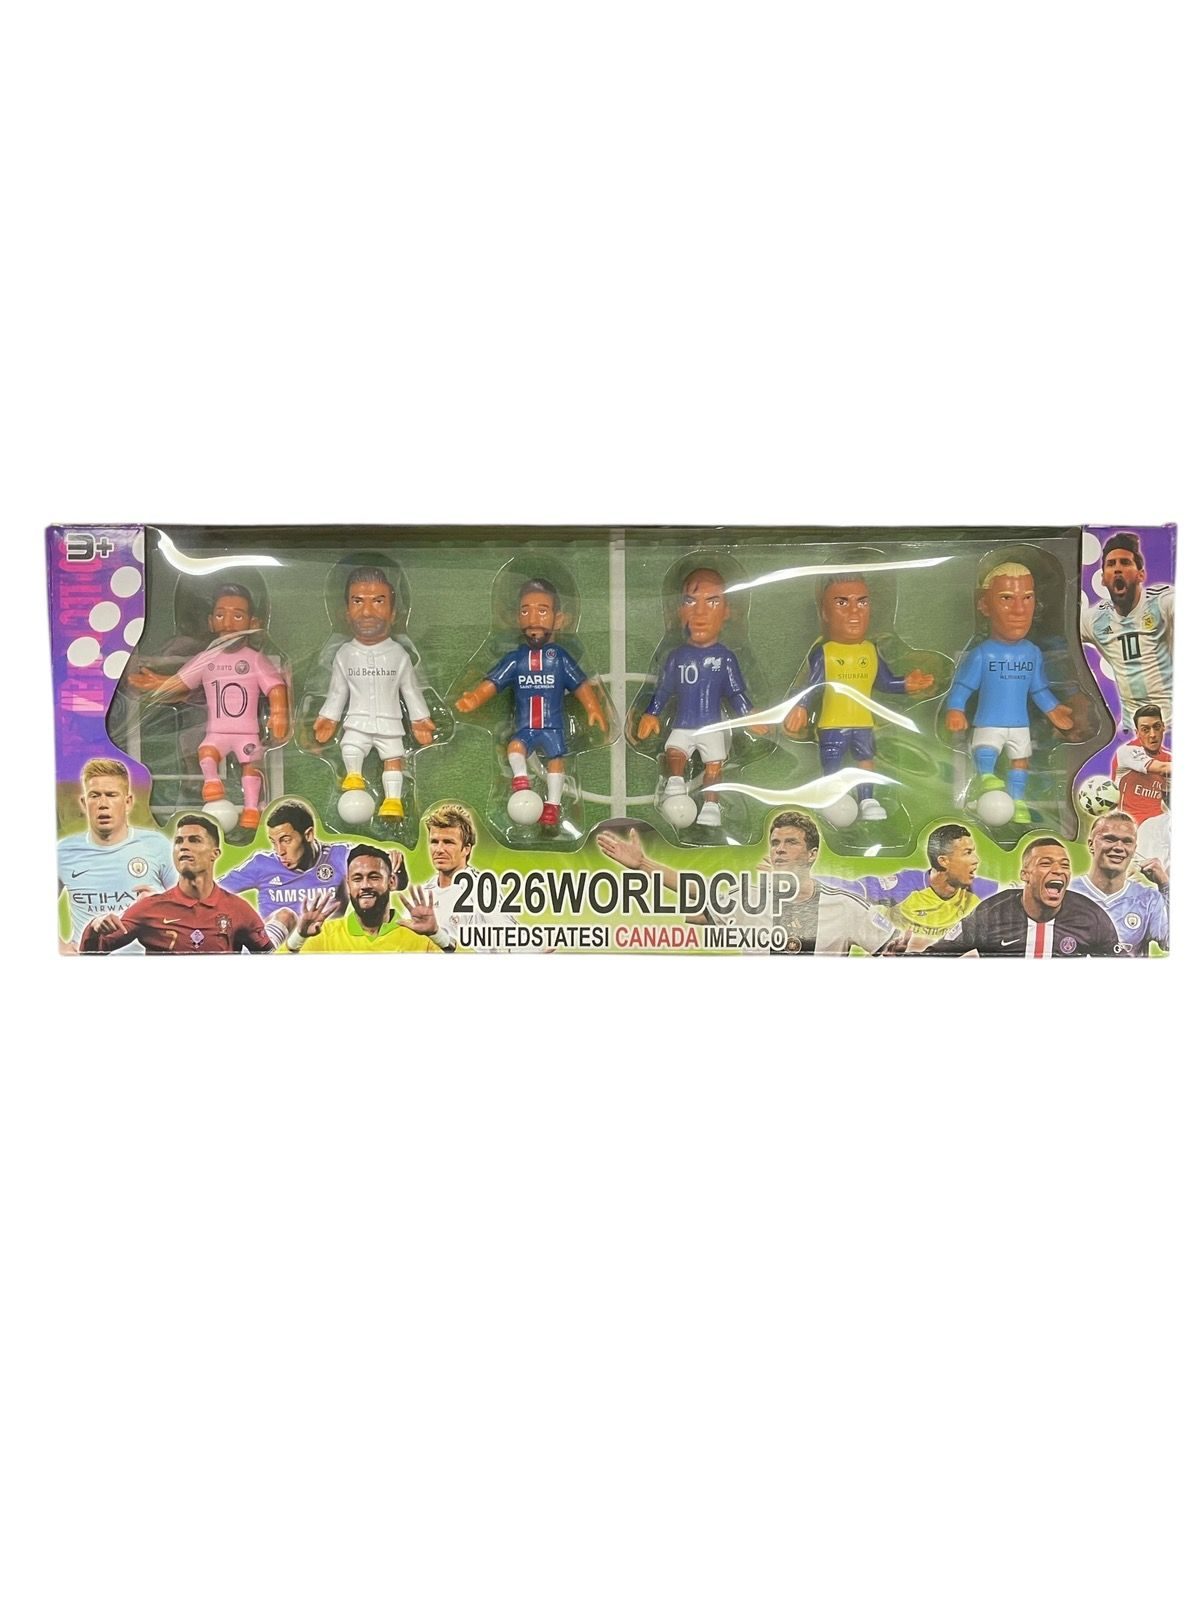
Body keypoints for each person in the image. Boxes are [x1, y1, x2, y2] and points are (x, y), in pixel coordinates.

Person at [597, 809, 900, 955]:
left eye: (791, 842)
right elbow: (701, 893)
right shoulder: (751, 898)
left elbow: (895, 951)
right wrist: (643, 864)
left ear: (812, 854)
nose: (779, 849)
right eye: (775, 843)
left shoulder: (844, 906)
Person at [130, 584, 290, 832]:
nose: (228, 623)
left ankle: (251, 808)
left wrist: (279, 714)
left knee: (251, 764)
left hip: (247, 732)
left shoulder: (255, 659)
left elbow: (276, 686)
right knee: (206, 752)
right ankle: (212, 783)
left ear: (253, 622)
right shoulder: (207, 659)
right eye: (220, 615)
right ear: (210, 621)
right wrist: (156, 683)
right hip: (217, 731)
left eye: (238, 616)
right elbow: (180, 682)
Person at [455, 578, 607, 828]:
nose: (533, 619)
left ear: (559, 619)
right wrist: (474, 697)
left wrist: (593, 708)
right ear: (517, 618)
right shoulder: (517, 659)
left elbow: (580, 684)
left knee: (556, 761)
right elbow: (493, 682)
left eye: (542, 611)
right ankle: (521, 779)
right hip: (525, 727)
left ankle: (553, 804)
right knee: (514, 747)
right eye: (525, 611)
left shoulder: (559, 658)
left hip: (552, 727)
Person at [783, 574, 933, 821]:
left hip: (863, 723)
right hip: (832, 724)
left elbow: (884, 682)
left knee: (865, 759)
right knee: (832, 762)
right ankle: (833, 796)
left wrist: (907, 684)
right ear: (825, 612)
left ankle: (867, 799)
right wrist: (800, 706)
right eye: (842, 603)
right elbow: (813, 685)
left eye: (862, 602)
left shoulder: (870, 650)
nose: (854, 611)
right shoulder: (825, 653)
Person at [637, 568, 767, 828]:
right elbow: (663, 690)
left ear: (727, 611)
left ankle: (711, 806)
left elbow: (736, 692)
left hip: (712, 727)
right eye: (690, 601)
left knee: (714, 766)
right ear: (679, 611)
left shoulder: (725, 658)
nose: (700, 613)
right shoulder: (676, 657)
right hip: (683, 724)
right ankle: (675, 782)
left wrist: (749, 714)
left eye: (712, 602)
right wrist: (652, 712)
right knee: (674, 752)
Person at [945, 563, 1074, 824]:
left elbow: (1039, 688)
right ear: (984, 606)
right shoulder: (983, 654)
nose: (1019, 610)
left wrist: (1053, 709)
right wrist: (955, 708)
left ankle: (1017, 801)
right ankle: (985, 777)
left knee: (1020, 761)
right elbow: (962, 686)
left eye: (1027, 598)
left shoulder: (1032, 653)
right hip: (988, 722)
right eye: (1006, 599)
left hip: (1020, 725)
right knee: (986, 749)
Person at [314, 567, 435, 821]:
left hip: (390, 723)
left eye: (378, 602)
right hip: (356, 721)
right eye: (358, 602)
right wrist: (329, 718)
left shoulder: (399, 655)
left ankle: (393, 801)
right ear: (346, 612)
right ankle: (353, 776)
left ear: (393, 613)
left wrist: (420, 719)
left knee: (393, 758)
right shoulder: (345, 654)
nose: (367, 612)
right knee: (350, 747)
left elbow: (410, 690)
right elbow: (337, 692)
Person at [79, 813, 272, 954]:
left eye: (194, 840)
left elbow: (270, 958)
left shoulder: (239, 910)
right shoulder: (149, 908)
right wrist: (95, 927)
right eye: (179, 841)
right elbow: (92, 954)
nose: (184, 847)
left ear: (215, 853)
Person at [923, 836, 1123, 957]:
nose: (1058, 870)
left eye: (1064, 865)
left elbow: (1123, 969)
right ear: (1025, 875)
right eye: (1045, 863)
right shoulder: (992, 913)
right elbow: (935, 957)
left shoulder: (1092, 918)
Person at [57, 758, 176, 954]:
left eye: (111, 795)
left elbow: (187, 906)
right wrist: (60, 947)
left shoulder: (157, 845)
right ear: (84, 803)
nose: (103, 804)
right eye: (95, 796)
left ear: (128, 802)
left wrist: (157, 904)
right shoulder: (64, 851)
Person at [216, 799, 362, 944]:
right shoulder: (262, 864)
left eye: (286, 840)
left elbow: (374, 863)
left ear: (308, 835)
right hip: (277, 949)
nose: (280, 851)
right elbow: (212, 892)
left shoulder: (341, 856)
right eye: (274, 842)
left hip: (325, 948)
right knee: (285, 916)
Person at [279, 843, 454, 953]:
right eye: (357, 878)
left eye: (374, 877)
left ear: (391, 882)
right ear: (348, 885)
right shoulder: (324, 935)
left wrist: (437, 934)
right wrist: (298, 937)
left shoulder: (420, 936)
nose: (365, 885)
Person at [1080, 531, 1174, 729]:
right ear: (1103, 578)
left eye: (1125, 562)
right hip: (1131, 730)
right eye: (1111, 564)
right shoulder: (1096, 619)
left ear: (1141, 574)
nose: (1117, 569)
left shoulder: (1161, 603)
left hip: (1171, 725)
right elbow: (1060, 630)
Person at [850, 822, 997, 945]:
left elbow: (1009, 896)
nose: (976, 860)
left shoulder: (982, 891)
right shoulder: (905, 885)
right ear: (943, 861)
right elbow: (851, 890)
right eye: (968, 853)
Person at [1069, 811, 1168, 957]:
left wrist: (1165, 885)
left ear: (1134, 849)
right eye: (1109, 839)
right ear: (1091, 845)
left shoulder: (1149, 899)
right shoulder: (1067, 893)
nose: (1119, 847)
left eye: (1127, 841)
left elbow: (1170, 943)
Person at [418, 802, 515, 948]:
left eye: (448, 842)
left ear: (466, 849)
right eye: (434, 842)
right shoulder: (424, 891)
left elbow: (510, 937)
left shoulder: (482, 889)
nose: (439, 849)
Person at [1111, 704, 1170, 834]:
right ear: (1137, 733)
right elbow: (1161, 768)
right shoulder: (1127, 752)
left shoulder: (1169, 758)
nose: (1152, 734)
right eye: (1145, 730)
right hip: (1127, 829)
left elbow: (1168, 797)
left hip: (1156, 830)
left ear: (1163, 727)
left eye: (1156, 727)